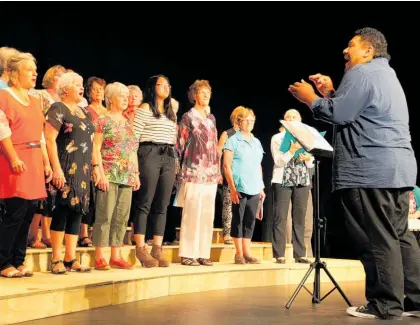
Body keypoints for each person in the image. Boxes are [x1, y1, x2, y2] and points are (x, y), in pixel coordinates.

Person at [288, 27, 420, 319]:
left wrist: (311, 98)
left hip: (369, 170)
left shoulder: (361, 74)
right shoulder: (387, 75)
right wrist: (331, 94)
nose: (345, 51)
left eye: (351, 45)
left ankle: (385, 303)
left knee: (376, 238)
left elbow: (339, 115)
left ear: (368, 50)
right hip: (397, 169)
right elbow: (357, 110)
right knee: (399, 235)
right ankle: (417, 298)